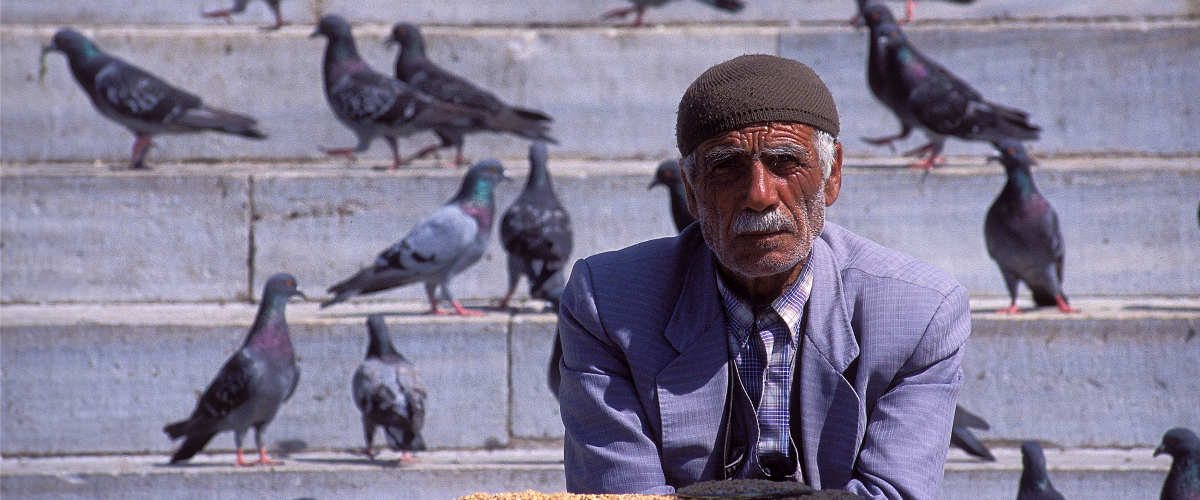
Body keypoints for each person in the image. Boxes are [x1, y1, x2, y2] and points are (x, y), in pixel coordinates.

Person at [556, 54, 971, 499]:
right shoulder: (608, 302)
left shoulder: (919, 313)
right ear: (691, 192)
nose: (759, 195)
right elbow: (622, 497)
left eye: (785, 162)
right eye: (726, 166)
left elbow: (894, 494)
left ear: (831, 177)